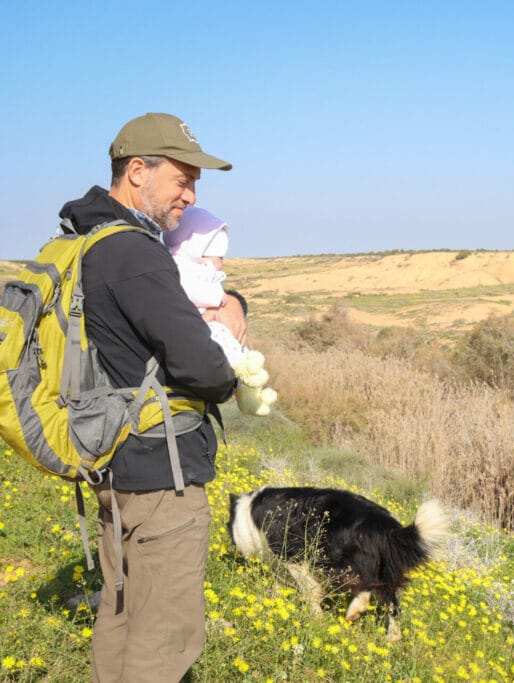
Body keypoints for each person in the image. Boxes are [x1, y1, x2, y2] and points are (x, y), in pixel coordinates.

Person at [57, 112, 240, 682]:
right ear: (138, 171)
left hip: (113, 465)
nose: (190, 195)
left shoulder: (87, 239)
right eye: (183, 180)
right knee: (163, 639)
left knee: (121, 615)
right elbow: (206, 370)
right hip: (161, 477)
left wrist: (229, 297)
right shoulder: (136, 254)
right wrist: (232, 331)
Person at [164, 206, 278, 415]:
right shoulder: (179, 268)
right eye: (216, 257)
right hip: (204, 327)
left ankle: (250, 393)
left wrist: (231, 301)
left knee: (236, 342)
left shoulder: (196, 269)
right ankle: (245, 375)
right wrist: (221, 300)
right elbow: (196, 292)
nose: (220, 263)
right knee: (226, 343)